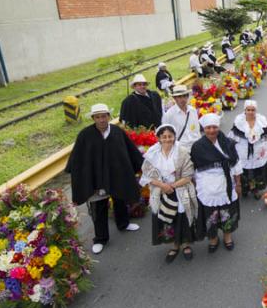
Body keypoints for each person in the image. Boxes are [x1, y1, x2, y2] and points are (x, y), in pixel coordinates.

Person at [65, 103, 143, 255]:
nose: (101, 120)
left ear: (108, 116)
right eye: (98, 117)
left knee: (120, 200)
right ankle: (100, 238)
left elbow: (129, 151)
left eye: (104, 116)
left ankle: (123, 224)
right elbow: (78, 159)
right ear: (93, 118)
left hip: (117, 176)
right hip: (97, 181)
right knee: (99, 208)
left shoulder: (117, 131)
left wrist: (140, 164)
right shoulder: (85, 135)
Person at [140, 124, 199, 263]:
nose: (167, 139)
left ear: (174, 137)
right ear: (159, 138)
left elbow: (188, 175)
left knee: (182, 217)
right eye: (164, 137)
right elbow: (147, 175)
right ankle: (174, 245)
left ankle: (185, 244)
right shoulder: (152, 154)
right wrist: (163, 186)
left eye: (170, 136)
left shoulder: (182, 152)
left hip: (179, 189)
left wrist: (171, 186)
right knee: (167, 218)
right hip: (161, 191)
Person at [190, 113, 242, 252]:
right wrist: (195, 187)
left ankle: (227, 237)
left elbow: (236, 164)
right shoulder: (197, 147)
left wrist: (238, 184)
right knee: (210, 215)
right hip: (207, 186)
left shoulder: (228, 143)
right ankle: (213, 238)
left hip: (226, 184)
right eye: (208, 128)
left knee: (227, 213)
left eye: (214, 127)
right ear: (203, 129)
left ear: (218, 127)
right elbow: (194, 170)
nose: (211, 130)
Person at [228, 100, 267, 199]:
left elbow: (265, 137)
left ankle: (255, 189)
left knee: (257, 169)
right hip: (243, 149)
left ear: (255, 110)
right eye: (248, 110)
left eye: (253, 110)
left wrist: (264, 148)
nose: (250, 112)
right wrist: (232, 149)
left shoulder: (261, 121)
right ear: (245, 110)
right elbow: (233, 136)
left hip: (257, 149)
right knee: (244, 170)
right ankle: (245, 188)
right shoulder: (239, 121)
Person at [161, 84, 201, 149]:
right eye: (179, 97)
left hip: (196, 145)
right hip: (181, 149)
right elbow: (165, 135)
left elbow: (197, 130)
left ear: (188, 96)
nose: (182, 99)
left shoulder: (193, 110)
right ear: (174, 98)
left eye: (184, 96)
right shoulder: (169, 114)